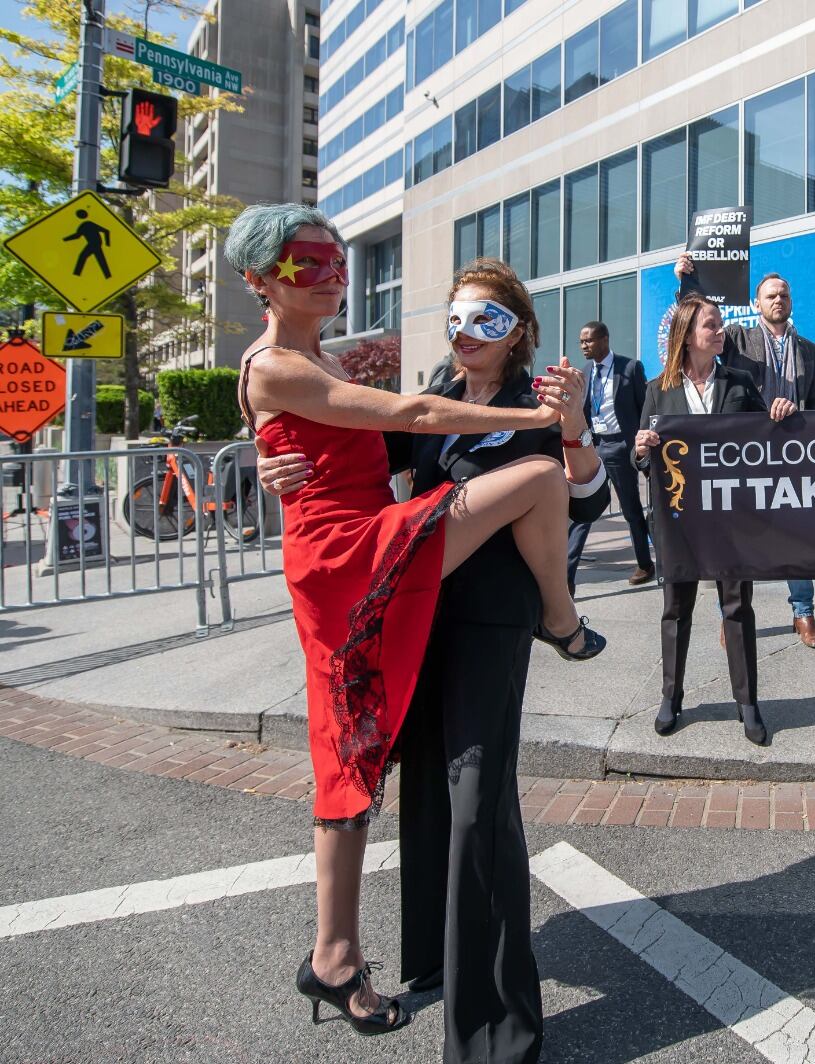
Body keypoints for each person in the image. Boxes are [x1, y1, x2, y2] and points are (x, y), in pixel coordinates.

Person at [224, 203, 602, 1036]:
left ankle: (336, 956)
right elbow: (408, 425)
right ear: (258, 282)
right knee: (378, 767)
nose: (330, 274)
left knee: (356, 756)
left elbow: (583, 488)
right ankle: (564, 618)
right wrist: (535, 425)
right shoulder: (312, 369)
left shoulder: (314, 356)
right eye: (305, 264)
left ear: (519, 330)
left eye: (333, 260)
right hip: (357, 564)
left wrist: (571, 428)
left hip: (449, 604)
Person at [635, 293, 796, 744]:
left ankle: (748, 702)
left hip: (730, 522)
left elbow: (765, 441)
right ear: (688, 336)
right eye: (711, 325)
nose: (720, 330)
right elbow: (640, 458)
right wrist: (641, 447)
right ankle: (671, 697)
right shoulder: (657, 390)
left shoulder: (741, 382)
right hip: (680, 521)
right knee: (676, 609)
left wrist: (780, 414)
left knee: (737, 608)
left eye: (720, 323)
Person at [675, 258, 815, 648]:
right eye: (771, 295)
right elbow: (698, 322)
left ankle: (803, 612)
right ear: (757, 304)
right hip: (745, 458)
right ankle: (732, 617)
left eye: (784, 294)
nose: (779, 299)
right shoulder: (739, 340)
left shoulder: (809, 350)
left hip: (793, 457)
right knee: (737, 539)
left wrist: (804, 425)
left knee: (797, 535)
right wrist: (688, 281)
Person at [565, 319, 654, 589]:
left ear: (604, 340)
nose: (583, 345)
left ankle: (644, 564)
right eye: (581, 341)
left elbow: (643, 408)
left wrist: (642, 445)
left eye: (588, 340)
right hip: (594, 445)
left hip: (621, 447)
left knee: (630, 509)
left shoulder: (630, 368)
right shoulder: (586, 370)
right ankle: (566, 577)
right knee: (583, 511)